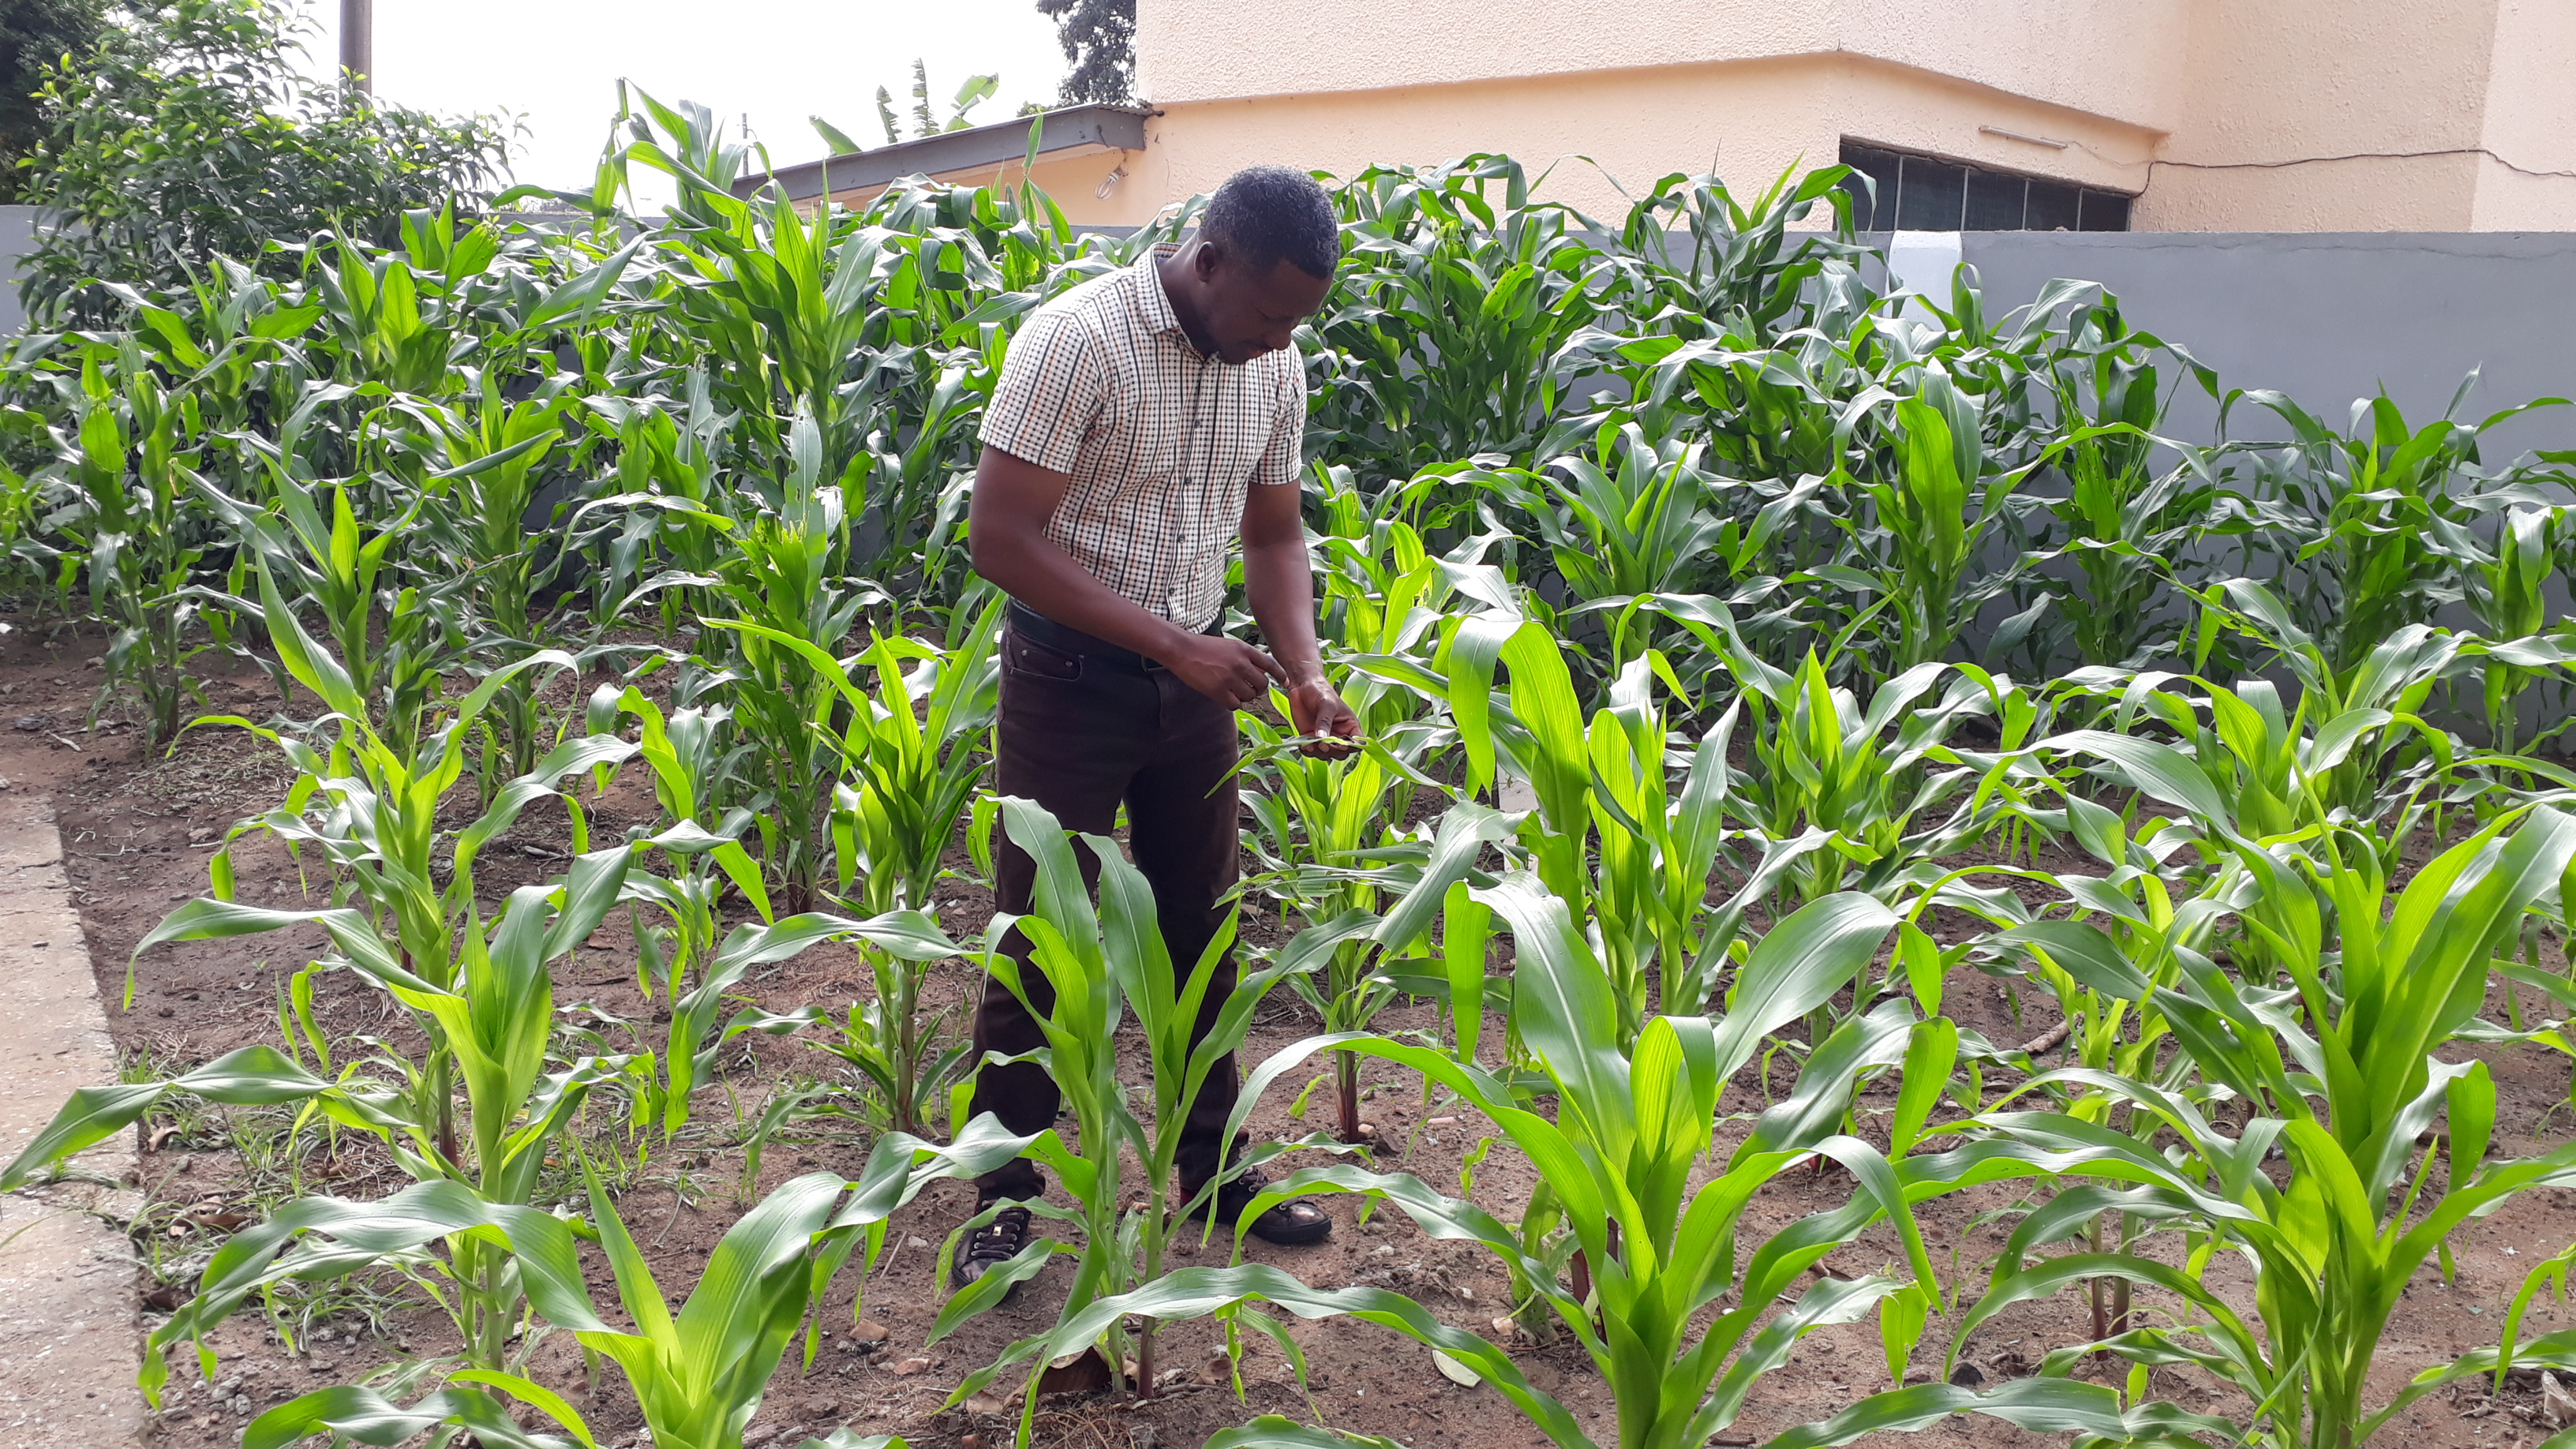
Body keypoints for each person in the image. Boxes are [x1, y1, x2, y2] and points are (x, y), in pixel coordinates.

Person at [950, 165, 1363, 1297]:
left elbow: (1273, 538)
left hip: (1203, 685)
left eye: (1299, 323)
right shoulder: (1077, 341)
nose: (1282, 342)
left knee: (1203, 931)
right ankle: (1004, 1194)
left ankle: (1213, 1170)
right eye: (1270, 315)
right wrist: (1177, 646)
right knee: (1041, 939)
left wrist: (1304, 672)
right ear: (1209, 260)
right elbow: (1000, 537)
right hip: (1068, 680)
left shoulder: (1272, 363)